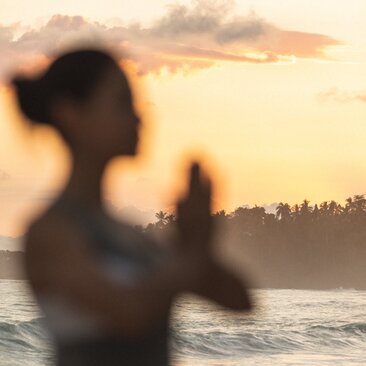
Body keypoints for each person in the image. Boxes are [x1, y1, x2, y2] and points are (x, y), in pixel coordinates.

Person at [11, 47, 252, 366]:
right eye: (122, 103)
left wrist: (197, 241)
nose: (139, 116)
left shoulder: (131, 235)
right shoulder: (51, 232)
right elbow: (129, 313)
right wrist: (191, 251)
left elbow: (239, 301)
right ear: (70, 113)